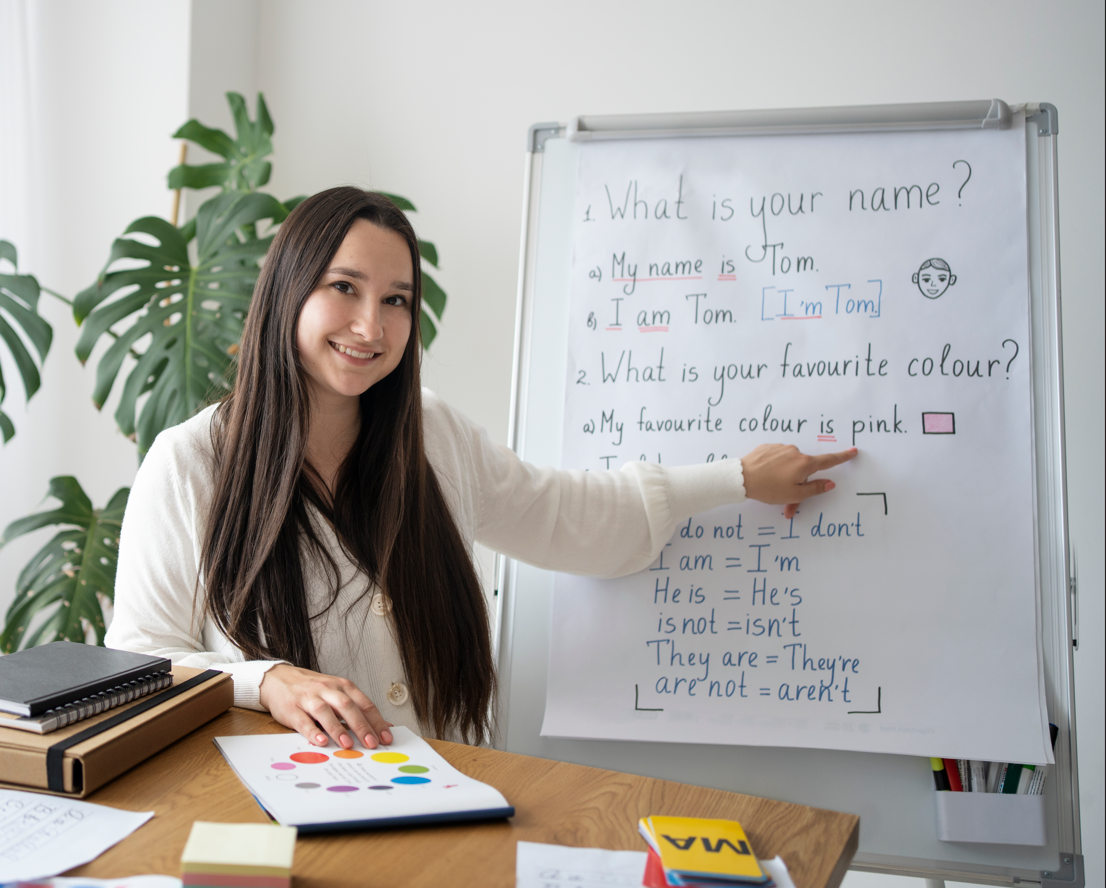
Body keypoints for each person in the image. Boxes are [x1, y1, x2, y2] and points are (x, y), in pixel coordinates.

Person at [106, 187, 856, 750]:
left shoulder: (432, 436)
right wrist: (264, 678)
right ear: (286, 292)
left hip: (441, 801)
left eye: (396, 300)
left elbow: (574, 519)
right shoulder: (189, 463)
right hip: (271, 818)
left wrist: (734, 479)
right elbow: (139, 658)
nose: (372, 326)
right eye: (344, 289)